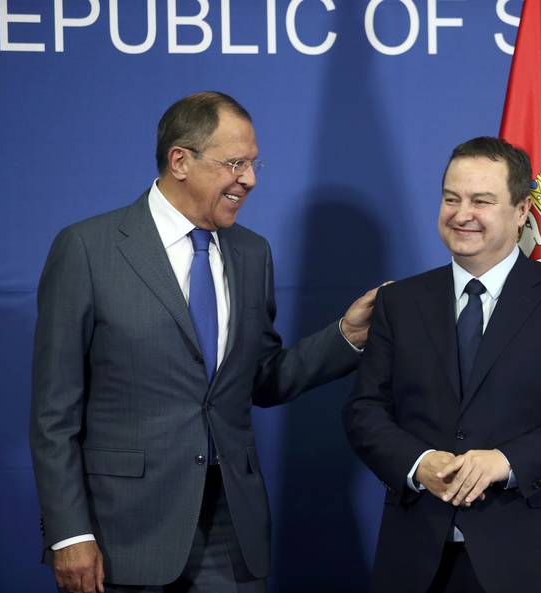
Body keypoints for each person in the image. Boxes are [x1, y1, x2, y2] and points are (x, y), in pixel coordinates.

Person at [30, 91, 378, 593]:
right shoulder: (88, 249)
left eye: (255, 164)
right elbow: (52, 414)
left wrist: (345, 337)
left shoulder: (251, 252)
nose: (250, 180)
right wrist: (69, 534)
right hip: (122, 534)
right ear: (180, 162)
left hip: (229, 527)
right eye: (235, 163)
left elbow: (260, 378)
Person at [343, 136, 541, 593]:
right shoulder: (400, 301)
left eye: (481, 200)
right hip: (418, 559)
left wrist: (505, 461)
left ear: (521, 212)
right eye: (451, 198)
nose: (462, 214)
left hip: (536, 559)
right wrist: (418, 464)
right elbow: (365, 411)